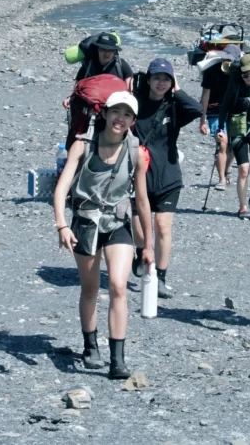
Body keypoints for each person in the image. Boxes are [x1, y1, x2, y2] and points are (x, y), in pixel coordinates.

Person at [53, 91, 154, 379]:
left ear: (132, 121)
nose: (120, 118)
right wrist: (62, 225)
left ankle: (117, 360)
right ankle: (90, 345)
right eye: (116, 112)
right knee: (90, 289)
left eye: (127, 114)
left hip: (118, 222)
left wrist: (148, 245)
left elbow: (143, 201)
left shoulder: (136, 152)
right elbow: (61, 190)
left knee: (118, 286)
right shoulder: (82, 146)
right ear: (105, 114)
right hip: (85, 223)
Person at [131, 59, 203, 297]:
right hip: (138, 176)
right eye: (156, 78)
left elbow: (196, 109)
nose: (161, 83)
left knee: (162, 226)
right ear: (148, 79)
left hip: (169, 176)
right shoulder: (135, 105)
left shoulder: (174, 106)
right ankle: (141, 252)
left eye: (166, 79)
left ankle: (160, 276)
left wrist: (178, 90)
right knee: (140, 226)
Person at [218, 54, 250, 220]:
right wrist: (220, 128)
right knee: (244, 170)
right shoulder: (234, 87)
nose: (249, 78)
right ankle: (243, 207)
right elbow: (224, 108)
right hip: (238, 131)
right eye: (246, 75)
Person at [199, 44, 241, 190]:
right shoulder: (211, 71)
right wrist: (202, 120)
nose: (227, 62)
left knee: (233, 145)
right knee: (222, 143)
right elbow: (205, 95)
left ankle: (227, 168)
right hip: (214, 111)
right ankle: (222, 179)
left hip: (233, 112)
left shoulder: (240, 72)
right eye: (225, 59)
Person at [62, 32, 134, 109]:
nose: (106, 53)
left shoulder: (121, 65)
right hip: (91, 106)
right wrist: (70, 98)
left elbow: (129, 91)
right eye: (103, 49)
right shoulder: (88, 66)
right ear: (98, 49)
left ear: (115, 51)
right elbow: (78, 87)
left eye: (110, 50)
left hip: (114, 107)